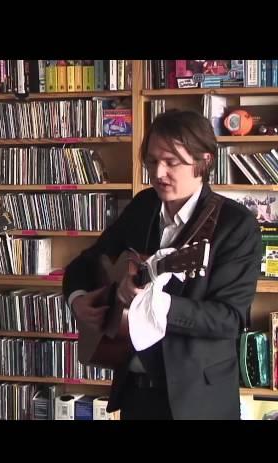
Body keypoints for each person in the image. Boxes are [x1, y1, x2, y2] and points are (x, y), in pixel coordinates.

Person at [63, 109, 262, 420]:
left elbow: (228, 319)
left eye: (172, 162)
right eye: (153, 161)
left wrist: (156, 303)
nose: (158, 173)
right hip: (136, 393)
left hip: (198, 401)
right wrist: (77, 301)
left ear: (204, 161)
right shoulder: (143, 205)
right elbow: (87, 261)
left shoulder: (236, 225)